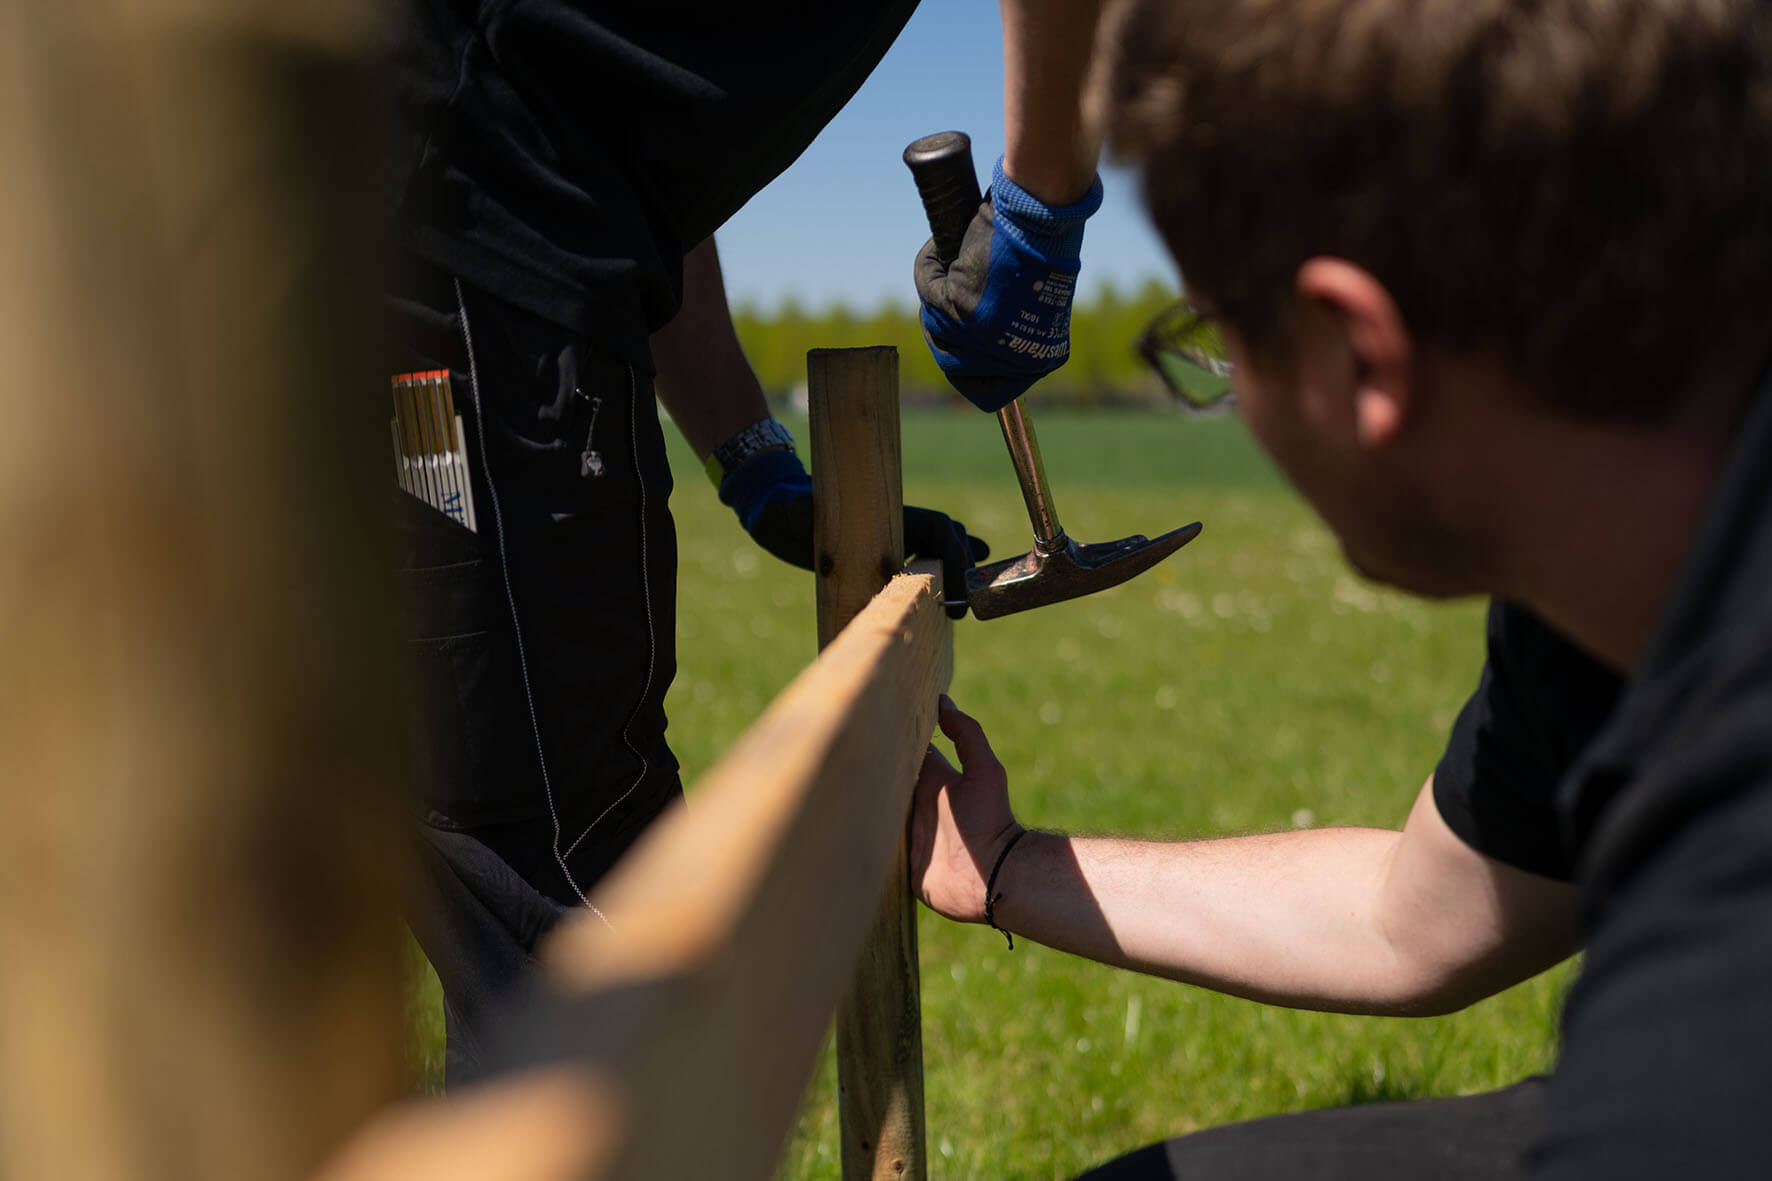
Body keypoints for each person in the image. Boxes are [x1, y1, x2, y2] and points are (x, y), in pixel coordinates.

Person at [909, 1, 1772, 1177]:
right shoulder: (1616, 573)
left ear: (1352, 354)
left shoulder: (1699, 1035)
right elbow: (1412, 921)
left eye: (1210, 342)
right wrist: (1006, 865)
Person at [385, 1, 1112, 1085]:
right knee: (580, 935)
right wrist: (1045, 207)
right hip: (460, 299)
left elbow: (602, 152)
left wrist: (754, 462)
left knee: (523, 903)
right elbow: (508, 149)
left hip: (431, 272)